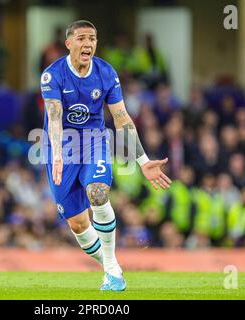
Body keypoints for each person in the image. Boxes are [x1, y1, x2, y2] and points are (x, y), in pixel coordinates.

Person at [40, 20, 171, 291]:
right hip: (62, 148)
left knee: (98, 193)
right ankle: (112, 268)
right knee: (78, 225)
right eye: (82, 38)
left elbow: (122, 119)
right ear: (69, 43)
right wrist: (56, 154)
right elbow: (54, 117)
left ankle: (111, 272)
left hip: (94, 142)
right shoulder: (52, 75)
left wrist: (143, 161)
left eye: (93, 38)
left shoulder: (107, 73)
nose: (88, 43)